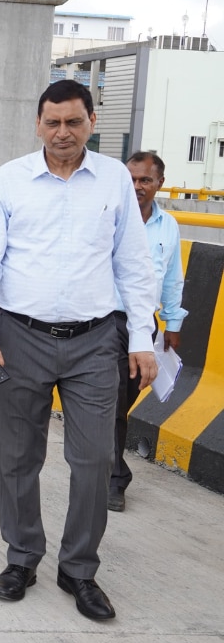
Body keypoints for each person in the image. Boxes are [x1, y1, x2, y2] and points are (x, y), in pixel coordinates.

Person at [0, 79, 157, 622]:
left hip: (96, 341)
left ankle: (79, 569)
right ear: (38, 124)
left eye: (73, 122)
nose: (63, 133)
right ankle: (22, 557)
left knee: (94, 459)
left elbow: (134, 265)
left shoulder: (114, 180)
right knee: (19, 457)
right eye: (53, 122)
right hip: (19, 338)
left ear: (92, 121)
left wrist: (141, 338)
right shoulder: (11, 179)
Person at [110, 150, 186, 512]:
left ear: (159, 183)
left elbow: (172, 277)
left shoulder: (167, 225)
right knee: (109, 403)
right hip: (106, 322)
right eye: (132, 179)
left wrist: (173, 323)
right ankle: (114, 479)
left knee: (122, 402)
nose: (137, 186)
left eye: (145, 180)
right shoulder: (110, 216)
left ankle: (104, 467)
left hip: (144, 325)